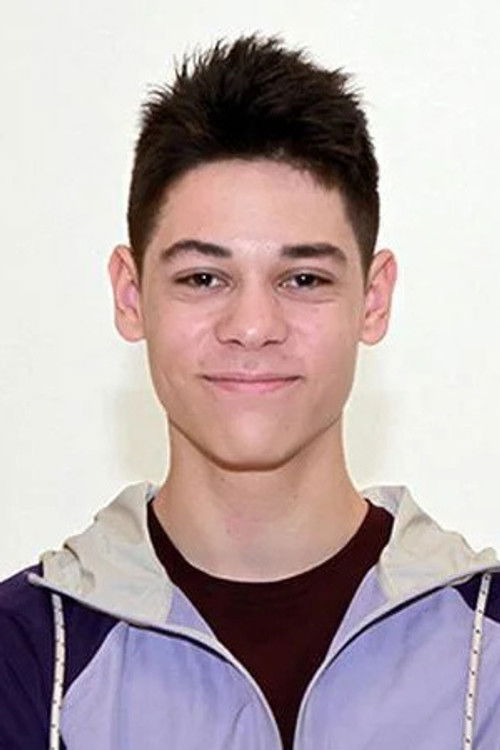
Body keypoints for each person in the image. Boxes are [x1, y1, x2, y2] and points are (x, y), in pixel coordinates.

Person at [1, 33, 499, 750]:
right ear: (131, 295)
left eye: (304, 279)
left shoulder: (489, 649)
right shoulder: (24, 659)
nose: (254, 327)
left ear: (374, 299)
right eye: (204, 278)